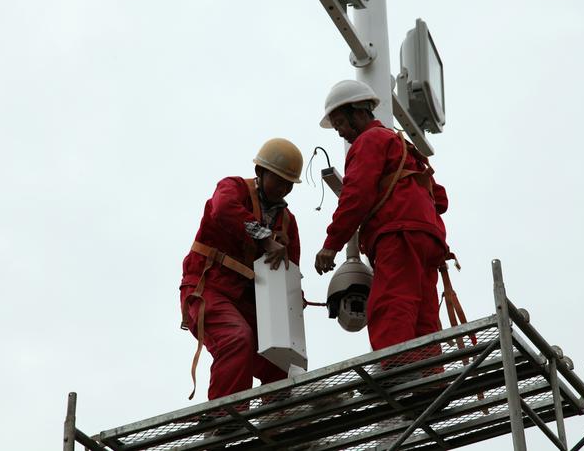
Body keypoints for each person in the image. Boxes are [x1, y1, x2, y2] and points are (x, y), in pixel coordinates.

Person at [314, 80, 450, 356]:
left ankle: (395, 375)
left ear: (359, 112)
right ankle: (429, 380)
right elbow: (441, 199)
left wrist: (331, 245)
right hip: (429, 237)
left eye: (340, 122)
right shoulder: (403, 144)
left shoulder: (369, 141)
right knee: (423, 312)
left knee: (392, 303)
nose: (340, 132)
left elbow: (357, 196)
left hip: (397, 233)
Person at [180, 138, 303, 401]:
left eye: (288, 184)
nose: (283, 188)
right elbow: (224, 209)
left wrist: (295, 299)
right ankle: (224, 420)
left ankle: (281, 423)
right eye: (278, 180)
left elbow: (290, 273)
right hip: (209, 287)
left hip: (248, 301)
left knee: (280, 360)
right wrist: (264, 238)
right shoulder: (233, 188)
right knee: (237, 339)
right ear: (260, 172)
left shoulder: (287, 223)